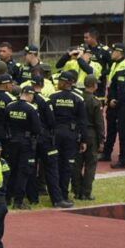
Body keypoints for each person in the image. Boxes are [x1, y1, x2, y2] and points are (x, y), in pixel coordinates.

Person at [47, 70, 87, 202]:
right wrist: (84, 140)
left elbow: (48, 119)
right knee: (67, 166)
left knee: (55, 165)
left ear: (65, 82)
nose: (58, 83)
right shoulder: (78, 98)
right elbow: (82, 121)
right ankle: (63, 194)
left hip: (55, 135)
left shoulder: (52, 97)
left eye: (60, 81)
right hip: (71, 135)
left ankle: (56, 195)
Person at [5, 85, 42, 209]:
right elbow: (37, 128)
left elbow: (5, 124)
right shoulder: (31, 108)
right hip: (26, 143)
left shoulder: (10, 106)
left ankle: (7, 198)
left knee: (11, 170)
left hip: (11, 141)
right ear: (30, 95)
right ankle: (18, 201)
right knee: (23, 171)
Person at [75, 75, 104, 199]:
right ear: (94, 85)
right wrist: (102, 139)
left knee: (77, 164)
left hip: (78, 133)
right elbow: (99, 123)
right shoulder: (95, 101)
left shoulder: (78, 99)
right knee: (90, 165)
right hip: (91, 134)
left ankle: (77, 190)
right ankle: (86, 192)